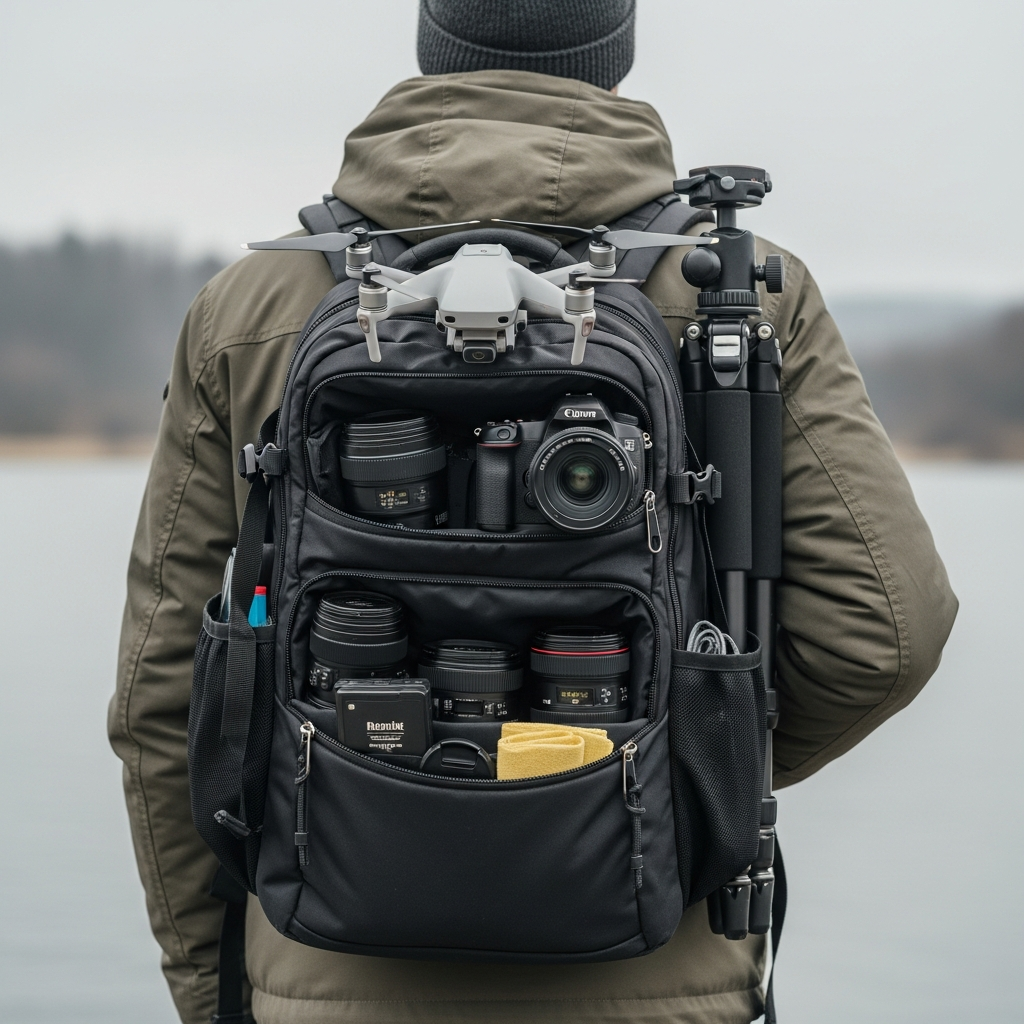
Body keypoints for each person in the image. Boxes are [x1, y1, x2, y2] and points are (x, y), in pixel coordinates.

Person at [108, 2, 958, 1022]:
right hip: (654, 973)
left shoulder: (254, 304)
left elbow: (164, 701)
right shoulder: (737, 292)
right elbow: (883, 637)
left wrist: (216, 989)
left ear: (433, 40)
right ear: (614, 46)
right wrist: (675, 777)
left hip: (320, 973)